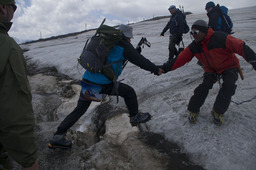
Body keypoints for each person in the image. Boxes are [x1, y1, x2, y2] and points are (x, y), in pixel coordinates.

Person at [49, 24, 163, 149]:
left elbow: (112, 58)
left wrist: (132, 53)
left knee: (80, 109)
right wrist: (156, 69)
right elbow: (140, 60)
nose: (130, 40)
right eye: (130, 38)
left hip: (88, 80)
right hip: (101, 84)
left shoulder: (105, 41)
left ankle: (58, 136)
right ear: (126, 36)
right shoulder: (124, 45)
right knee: (129, 92)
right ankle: (135, 117)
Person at [160, 20, 256, 125]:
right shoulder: (194, 46)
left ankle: (218, 111)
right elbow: (180, 59)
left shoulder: (220, 37)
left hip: (229, 66)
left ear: (204, 31)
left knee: (229, 86)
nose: (193, 35)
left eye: (195, 32)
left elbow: (241, 47)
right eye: (191, 33)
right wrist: (164, 68)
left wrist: (254, 61)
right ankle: (193, 109)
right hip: (211, 68)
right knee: (204, 86)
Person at [0, 0, 39, 169]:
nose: (14, 12)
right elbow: (15, 110)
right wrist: (28, 159)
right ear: (3, 8)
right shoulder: (7, 47)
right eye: (13, 7)